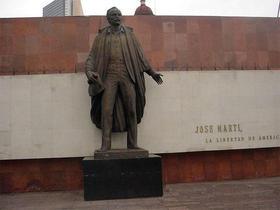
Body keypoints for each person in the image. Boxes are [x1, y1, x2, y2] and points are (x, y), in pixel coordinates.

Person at [85, 7, 163, 151]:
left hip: (127, 75)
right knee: (106, 111)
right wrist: (89, 72)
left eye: (119, 14)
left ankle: (132, 144)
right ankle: (105, 146)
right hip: (109, 77)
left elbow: (141, 56)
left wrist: (152, 73)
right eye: (113, 15)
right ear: (108, 18)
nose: (117, 17)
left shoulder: (129, 35)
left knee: (131, 110)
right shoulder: (101, 37)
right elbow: (91, 58)